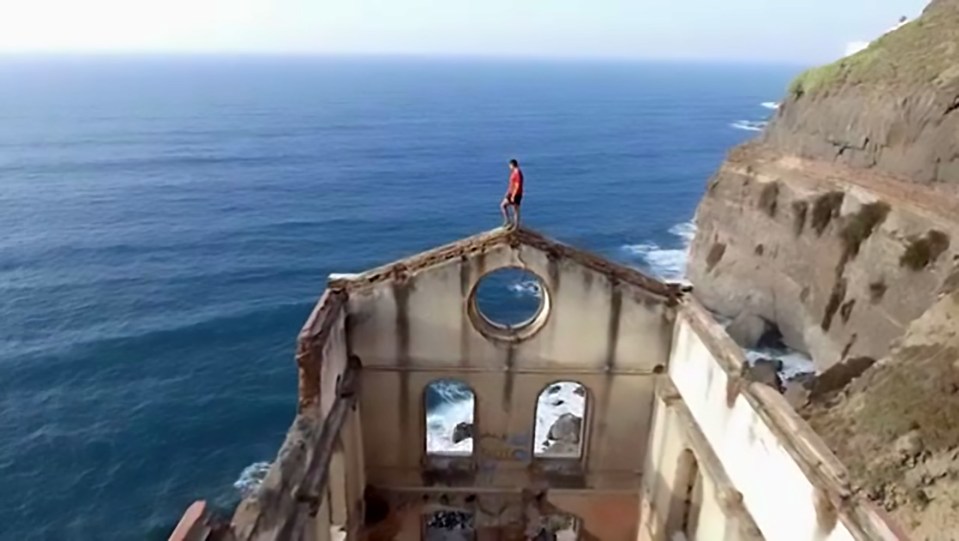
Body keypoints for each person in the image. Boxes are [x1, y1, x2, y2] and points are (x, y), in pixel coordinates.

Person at [501, 158, 524, 229]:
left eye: (510, 165)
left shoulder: (518, 173)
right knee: (503, 205)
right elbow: (511, 184)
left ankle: (516, 225)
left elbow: (517, 185)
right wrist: (507, 192)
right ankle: (508, 221)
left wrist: (513, 196)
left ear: (512, 165)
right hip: (511, 192)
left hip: (516, 194)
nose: (509, 167)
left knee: (515, 209)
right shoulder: (514, 172)